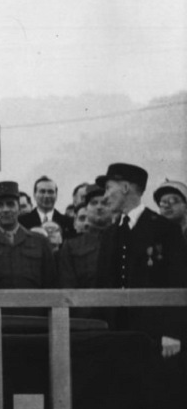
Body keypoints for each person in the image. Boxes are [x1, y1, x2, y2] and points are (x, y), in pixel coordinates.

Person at [94, 163, 187, 409]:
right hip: (117, 333)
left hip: (155, 335)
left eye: (108, 188)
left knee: (155, 395)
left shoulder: (165, 229)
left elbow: (178, 281)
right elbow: (103, 283)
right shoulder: (110, 233)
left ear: (125, 188)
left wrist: (173, 333)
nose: (104, 196)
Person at [0, 181, 57, 299]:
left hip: (33, 312)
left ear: (19, 208)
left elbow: (51, 284)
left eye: (10, 204)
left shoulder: (39, 241)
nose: (5, 209)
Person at [58, 184, 111, 317]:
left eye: (105, 202)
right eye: (93, 203)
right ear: (86, 209)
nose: (99, 207)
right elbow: (67, 286)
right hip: (84, 317)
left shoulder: (123, 240)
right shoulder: (71, 246)